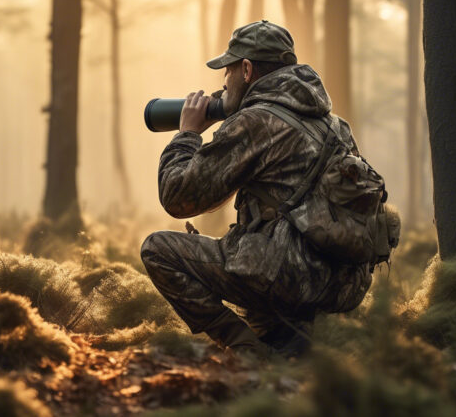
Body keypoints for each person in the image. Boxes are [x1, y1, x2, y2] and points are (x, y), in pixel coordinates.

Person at [141, 20, 372, 357]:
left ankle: (244, 346)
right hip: (344, 285)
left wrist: (188, 133)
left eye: (228, 73)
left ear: (246, 70)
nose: (224, 84)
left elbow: (178, 198)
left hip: (289, 277)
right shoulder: (335, 125)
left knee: (157, 250)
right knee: (261, 246)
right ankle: (289, 340)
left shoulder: (255, 122)